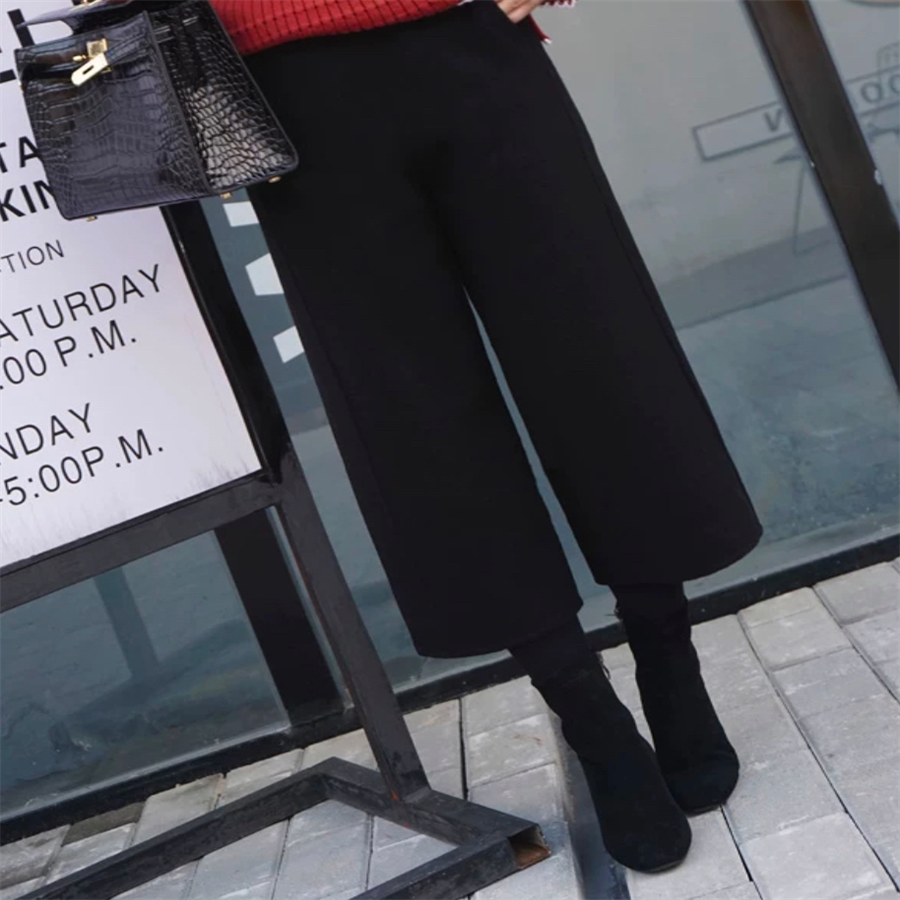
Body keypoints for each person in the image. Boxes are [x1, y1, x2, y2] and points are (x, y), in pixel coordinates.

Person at [210, 0, 764, 874]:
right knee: (415, 421)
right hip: (287, 87)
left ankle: (667, 653)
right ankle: (591, 719)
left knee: (601, 354)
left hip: (468, 38)